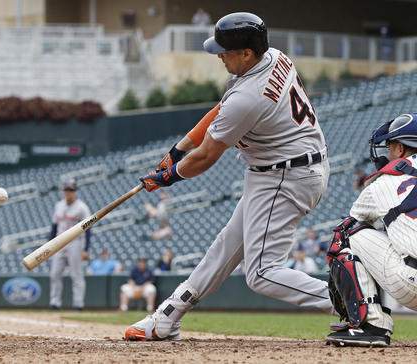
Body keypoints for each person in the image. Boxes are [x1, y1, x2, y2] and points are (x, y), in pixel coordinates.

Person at [124, 12, 330, 341]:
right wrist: (178, 149)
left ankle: (351, 301)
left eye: (225, 51)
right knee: (226, 247)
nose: (219, 55)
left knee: (262, 273)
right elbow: (221, 109)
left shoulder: (249, 96)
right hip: (283, 168)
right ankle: (168, 316)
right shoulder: (273, 57)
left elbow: (207, 155)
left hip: (286, 174)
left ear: (247, 53)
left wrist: (168, 177)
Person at [325, 113, 417, 347]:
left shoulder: (383, 183)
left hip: (412, 282)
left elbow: (355, 221)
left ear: (399, 148)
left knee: (346, 233)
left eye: (389, 146)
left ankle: (372, 324)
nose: (386, 152)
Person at [49, 179, 91, 310]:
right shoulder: (59, 205)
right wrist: (50, 245)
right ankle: (55, 302)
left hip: (75, 243)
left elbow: (88, 229)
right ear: (63, 191)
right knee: (55, 273)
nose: (68, 192)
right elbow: (54, 226)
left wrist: (86, 249)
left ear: (75, 191)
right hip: (59, 243)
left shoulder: (82, 207)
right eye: (67, 190)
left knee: (76, 274)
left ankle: (78, 304)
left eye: (71, 190)